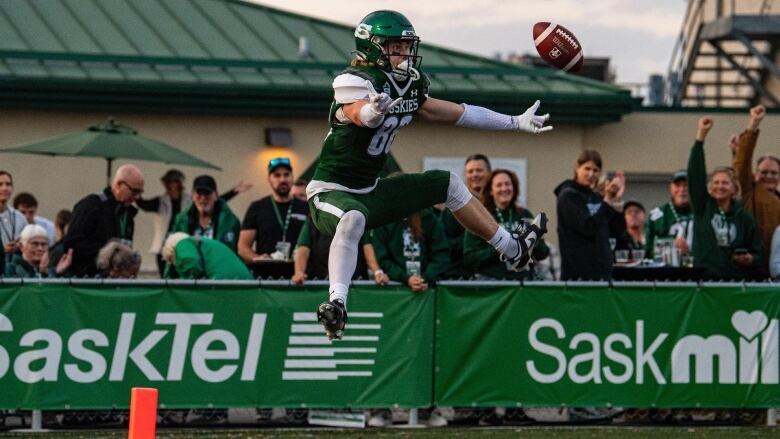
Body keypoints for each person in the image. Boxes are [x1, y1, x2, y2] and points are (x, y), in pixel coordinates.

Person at [308, 10, 550, 339]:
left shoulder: (409, 86)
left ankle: (513, 250)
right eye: (396, 47)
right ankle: (337, 304)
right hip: (329, 193)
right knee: (352, 218)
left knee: (445, 183)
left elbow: (459, 113)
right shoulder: (354, 81)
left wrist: (513, 122)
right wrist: (374, 110)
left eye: (407, 46)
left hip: (372, 190)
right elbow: (358, 114)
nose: (405, 54)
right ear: (373, 47)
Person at [688, 117, 762, 280]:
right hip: (705, 283)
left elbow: (758, 255)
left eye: (725, 183)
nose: (719, 186)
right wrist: (700, 138)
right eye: (715, 183)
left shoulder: (744, 217)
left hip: (736, 284)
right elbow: (695, 175)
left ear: (734, 188)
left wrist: (750, 259)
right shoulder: (703, 208)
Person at [136, 169, 250, 275]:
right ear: (194, 196)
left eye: (174, 182)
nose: (202, 198)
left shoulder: (228, 221)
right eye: (199, 194)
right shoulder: (166, 205)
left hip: (216, 273)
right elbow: (145, 205)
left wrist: (233, 192)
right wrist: (136, 193)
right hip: (174, 255)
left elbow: (218, 201)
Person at [464, 169, 549, 280]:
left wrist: (534, 239)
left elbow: (543, 253)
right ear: (491, 190)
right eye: (499, 185)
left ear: (514, 188)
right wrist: (502, 247)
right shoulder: (480, 217)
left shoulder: (524, 215)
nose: (504, 188)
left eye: (508, 184)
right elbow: (469, 258)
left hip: (522, 283)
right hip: (491, 283)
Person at [555, 150, 626, 281]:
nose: (591, 174)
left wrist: (617, 200)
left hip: (602, 275)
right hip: (578, 277)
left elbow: (617, 230)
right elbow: (588, 227)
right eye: (587, 168)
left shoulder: (596, 197)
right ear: (577, 168)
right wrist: (607, 200)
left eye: (596, 170)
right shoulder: (568, 196)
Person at [63, 164, 144, 277]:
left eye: (140, 192)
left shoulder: (128, 216)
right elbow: (71, 244)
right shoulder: (91, 205)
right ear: (119, 184)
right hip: (88, 280)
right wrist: (108, 251)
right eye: (134, 191)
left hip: (116, 281)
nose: (137, 197)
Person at [732, 105, 779, 275]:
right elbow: (741, 165)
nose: (769, 176)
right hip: (752, 270)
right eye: (764, 172)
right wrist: (753, 126)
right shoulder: (749, 192)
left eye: (774, 173)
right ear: (755, 174)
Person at [239, 158, 308, 262]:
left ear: (292, 177)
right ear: (269, 179)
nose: (282, 180)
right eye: (277, 175)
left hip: (301, 274)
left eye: (286, 174)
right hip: (266, 274)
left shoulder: (306, 208)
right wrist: (257, 259)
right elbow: (243, 247)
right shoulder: (257, 207)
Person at [439, 154, 493, 279]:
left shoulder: (498, 206)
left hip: (494, 276)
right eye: (470, 171)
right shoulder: (453, 208)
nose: (475, 175)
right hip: (462, 277)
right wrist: (473, 239)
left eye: (479, 170)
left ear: (490, 173)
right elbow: (443, 244)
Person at [292, 215, 386, 285]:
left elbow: (367, 246)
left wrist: (377, 272)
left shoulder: (357, 218)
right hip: (319, 281)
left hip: (354, 282)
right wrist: (299, 272)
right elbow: (303, 248)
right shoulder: (313, 220)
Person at [372, 208, 450, 291]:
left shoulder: (429, 218)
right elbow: (382, 258)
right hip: (395, 288)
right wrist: (405, 278)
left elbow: (441, 255)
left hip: (428, 288)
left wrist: (425, 278)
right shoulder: (384, 221)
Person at [171, 175, 242, 253]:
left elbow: (237, 253)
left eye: (207, 193)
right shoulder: (181, 220)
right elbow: (174, 249)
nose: (203, 198)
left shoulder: (230, 222)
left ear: (216, 196)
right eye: (199, 193)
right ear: (192, 196)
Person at [163, 232, 253, 280]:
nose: (175, 265)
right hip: (243, 281)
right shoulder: (205, 244)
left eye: (171, 260)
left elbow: (191, 264)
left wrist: (181, 283)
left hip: (224, 283)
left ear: (172, 251)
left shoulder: (182, 243)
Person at [646, 170, 693, 259]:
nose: (682, 189)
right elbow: (647, 249)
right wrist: (671, 245)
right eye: (677, 185)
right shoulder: (657, 215)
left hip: (698, 268)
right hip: (667, 270)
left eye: (686, 185)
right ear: (671, 188)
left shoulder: (702, 213)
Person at [5, 224, 72, 278]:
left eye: (44, 244)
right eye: (34, 244)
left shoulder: (51, 270)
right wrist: (43, 274)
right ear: (21, 246)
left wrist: (58, 273)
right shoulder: (10, 269)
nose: (40, 248)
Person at [0, 171, 29, 264]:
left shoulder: (20, 217)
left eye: (8, 184)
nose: (4, 188)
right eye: (0, 184)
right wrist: (2, 250)